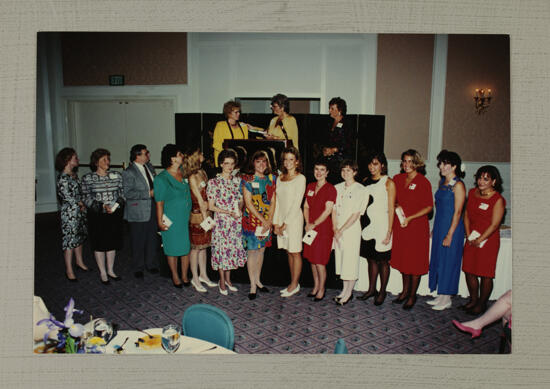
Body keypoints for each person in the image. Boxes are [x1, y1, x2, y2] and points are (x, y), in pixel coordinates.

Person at [390, 149, 433, 310]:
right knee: (403, 259)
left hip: (416, 227)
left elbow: (429, 207)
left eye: (410, 161)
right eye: (404, 161)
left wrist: (410, 217)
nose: (407, 164)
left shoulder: (423, 182)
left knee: (414, 262)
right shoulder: (397, 178)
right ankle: (404, 291)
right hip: (401, 225)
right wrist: (396, 205)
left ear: (417, 163)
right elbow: (392, 199)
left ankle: (412, 295)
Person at [461, 165, 506, 315]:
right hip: (471, 237)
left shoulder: (497, 199)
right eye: (479, 178)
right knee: (469, 270)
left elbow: (494, 224)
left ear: (493, 181)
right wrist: (468, 235)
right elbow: (466, 214)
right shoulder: (472, 193)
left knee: (485, 273)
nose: (481, 181)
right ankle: (473, 300)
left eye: (486, 179)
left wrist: (480, 239)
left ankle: (482, 303)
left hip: (488, 240)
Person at [427, 150, 466, 310]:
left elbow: (458, 212)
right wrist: (435, 229)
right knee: (439, 260)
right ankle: (441, 294)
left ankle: (447, 298)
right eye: (441, 164)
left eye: (445, 164)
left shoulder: (458, 185)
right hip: (440, 226)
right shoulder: (442, 183)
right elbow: (439, 208)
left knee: (449, 261)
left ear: (454, 166)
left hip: (453, 229)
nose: (441, 167)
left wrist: (450, 234)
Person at [81, 148, 125, 285]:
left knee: (111, 242)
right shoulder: (88, 178)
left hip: (113, 215)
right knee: (99, 244)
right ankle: (103, 272)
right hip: (97, 216)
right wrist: (101, 206)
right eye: (104, 160)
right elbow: (85, 197)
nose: (107, 162)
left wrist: (115, 206)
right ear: (96, 162)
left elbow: (122, 194)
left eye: (108, 159)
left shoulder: (117, 176)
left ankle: (111, 270)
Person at [207, 149, 247, 295]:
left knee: (231, 251)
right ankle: (222, 281)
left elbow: (241, 200)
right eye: (226, 164)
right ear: (221, 164)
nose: (229, 167)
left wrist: (239, 210)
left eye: (232, 164)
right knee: (221, 251)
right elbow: (211, 206)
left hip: (235, 222)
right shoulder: (214, 182)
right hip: (222, 222)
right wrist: (227, 212)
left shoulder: (237, 181)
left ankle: (229, 280)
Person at [357, 152, 395, 306]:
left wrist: (389, 231)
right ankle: (371, 288)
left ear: (382, 165)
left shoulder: (388, 182)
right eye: (370, 164)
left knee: (383, 261)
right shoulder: (365, 181)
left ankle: (382, 291)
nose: (372, 167)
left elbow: (391, 208)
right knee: (371, 259)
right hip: (367, 226)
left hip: (382, 225)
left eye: (376, 164)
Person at [154, 144, 192, 289]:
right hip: (171, 219)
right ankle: (175, 276)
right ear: (172, 158)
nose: (182, 156)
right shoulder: (162, 179)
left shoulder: (183, 173)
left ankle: (184, 275)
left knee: (185, 248)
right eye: (179, 154)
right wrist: (159, 221)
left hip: (184, 218)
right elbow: (159, 203)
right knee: (172, 248)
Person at [241, 150, 277, 300]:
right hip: (252, 221)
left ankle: (258, 280)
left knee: (261, 250)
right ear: (253, 163)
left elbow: (274, 200)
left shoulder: (271, 178)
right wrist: (263, 220)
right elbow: (248, 203)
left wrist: (269, 220)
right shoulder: (247, 179)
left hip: (266, 222)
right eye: (258, 161)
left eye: (264, 161)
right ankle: (252, 285)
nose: (262, 164)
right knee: (252, 252)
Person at [273, 146, 306, 298]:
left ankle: (294, 284)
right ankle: (293, 283)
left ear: (297, 162)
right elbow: (278, 202)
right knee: (288, 251)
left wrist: (285, 223)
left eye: (291, 159)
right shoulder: (280, 178)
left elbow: (296, 203)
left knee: (295, 251)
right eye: (285, 159)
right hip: (281, 220)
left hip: (293, 221)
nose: (288, 162)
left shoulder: (301, 178)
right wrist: (276, 223)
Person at [122, 144, 159, 279]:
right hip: (138, 211)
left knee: (151, 238)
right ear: (137, 156)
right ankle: (138, 267)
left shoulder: (150, 167)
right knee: (138, 240)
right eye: (145, 153)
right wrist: (148, 193)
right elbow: (128, 193)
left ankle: (151, 264)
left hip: (152, 208)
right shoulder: (129, 172)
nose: (148, 155)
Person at [183, 148, 217, 292]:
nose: (203, 156)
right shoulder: (191, 177)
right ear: (195, 157)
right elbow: (199, 200)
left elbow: (208, 196)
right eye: (201, 154)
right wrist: (206, 220)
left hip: (206, 213)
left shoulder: (202, 172)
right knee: (195, 249)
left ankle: (203, 275)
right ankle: (195, 278)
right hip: (198, 216)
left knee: (204, 247)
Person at [302, 158, 337, 301]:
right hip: (310, 228)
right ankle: (315, 286)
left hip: (323, 230)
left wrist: (314, 223)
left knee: (320, 262)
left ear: (327, 172)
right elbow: (306, 206)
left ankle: (322, 289)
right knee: (312, 259)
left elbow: (328, 210)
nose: (319, 172)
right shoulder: (310, 186)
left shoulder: (330, 189)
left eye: (322, 170)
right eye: (317, 169)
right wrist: (307, 223)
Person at [332, 160, 364, 305]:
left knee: (350, 261)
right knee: (341, 260)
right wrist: (335, 229)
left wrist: (342, 229)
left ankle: (349, 293)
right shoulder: (336, 188)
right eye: (343, 170)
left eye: (349, 170)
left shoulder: (361, 189)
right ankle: (344, 290)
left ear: (355, 172)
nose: (346, 173)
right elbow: (333, 210)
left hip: (351, 230)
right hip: (338, 230)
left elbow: (356, 214)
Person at [55, 147, 87, 281]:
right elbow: (67, 196)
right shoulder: (62, 177)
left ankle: (79, 262)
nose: (77, 160)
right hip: (69, 213)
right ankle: (69, 270)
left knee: (79, 237)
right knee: (69, 241)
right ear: (68, 160)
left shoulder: (74, 175)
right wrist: (80, 203)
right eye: (75, 158)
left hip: (79, 211)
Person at [322, 97, 355, 184]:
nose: (329, 111)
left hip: (341, 162)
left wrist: (334, 150)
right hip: (330, 162)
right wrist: (326, 150)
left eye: (332, 108)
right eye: (329, 108)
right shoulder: (329, 123)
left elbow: (349, 144)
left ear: (340, 110)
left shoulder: (347, 124)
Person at [212, 100, 252, 167]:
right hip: (224, 161)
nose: (239, 114)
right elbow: (216, 144)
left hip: (239, 162)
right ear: (229, 113)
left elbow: (245, 144)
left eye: (239, 112)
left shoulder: (243, 126)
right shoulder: (220, 125)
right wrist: (229, 154)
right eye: (236, 112)